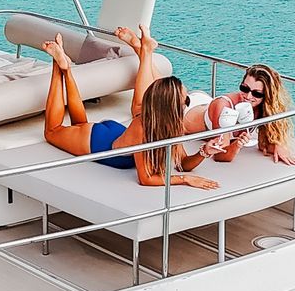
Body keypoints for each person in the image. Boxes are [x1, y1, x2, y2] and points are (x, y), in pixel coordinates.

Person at [42, 26, 219, 190]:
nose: (187, 104)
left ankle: (66, 68)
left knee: (80, 123)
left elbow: (183, 163)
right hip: (100, 143)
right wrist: (185, 180)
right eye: (185, 101)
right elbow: (146, 179)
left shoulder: (168, 124)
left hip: (114, 133)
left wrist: (204, 152)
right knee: (52, 131)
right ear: (170, 108)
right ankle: (59, 68)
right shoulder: (144, 129)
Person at [182, 62, 295, 165]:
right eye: (244, 88)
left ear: (267, 96)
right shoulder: (225, 107)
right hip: (185, 111)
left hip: (205, 102)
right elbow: (219, 156)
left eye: (257, 94)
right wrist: (237, 145)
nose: (248, 97)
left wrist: (278, 145)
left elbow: (263, 146)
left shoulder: (263, 109)